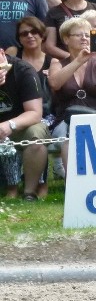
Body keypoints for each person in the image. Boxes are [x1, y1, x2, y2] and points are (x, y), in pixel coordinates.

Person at [47, 17, 96, 173]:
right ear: (66, 39)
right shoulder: (57, 62)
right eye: (78, 35)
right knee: (71, 137)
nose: (84, 38)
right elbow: (55, 83)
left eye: (88, 35)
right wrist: (78, 61)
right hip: (68, 119)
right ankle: (73, 183)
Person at [0, 45, 50, 200]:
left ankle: (30, 191)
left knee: (35, 136)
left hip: (21, 123)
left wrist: (10, 125)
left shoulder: (22, 70)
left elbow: (35, 112)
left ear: (2, 53)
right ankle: (10, 188)